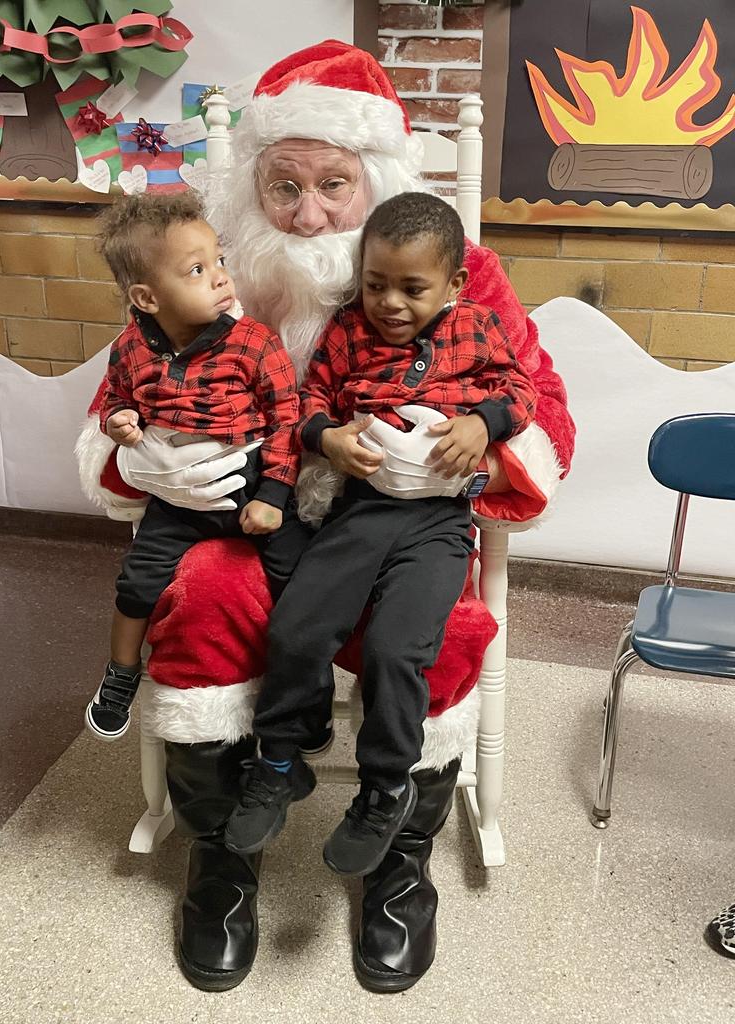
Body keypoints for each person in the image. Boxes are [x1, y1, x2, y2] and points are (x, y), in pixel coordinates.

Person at [77, 40, 575, 994]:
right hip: (247, 526)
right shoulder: (208, 268)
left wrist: (472, 450)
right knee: (201, 601)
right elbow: (120, 399)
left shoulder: (458, 272)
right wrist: (143, 463)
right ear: (252, 189)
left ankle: (398, 862)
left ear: (376, 179)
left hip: (408, 523)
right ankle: (224, 858)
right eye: (284, 187)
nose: (307, 217)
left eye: (334, 186)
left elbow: (540, 401)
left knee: (445, 630)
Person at [224, 192, 537, 878]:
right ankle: (278, 763)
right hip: (360, 511)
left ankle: (385, 787)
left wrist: (482, 423)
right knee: (297, 628)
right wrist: (327, 437)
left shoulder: (477, 327)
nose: (390, 303)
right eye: (376, 285)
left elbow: (522, 391)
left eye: (412, 289)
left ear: (453, 285)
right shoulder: (348, 331)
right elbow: (308, 400)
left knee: (397, 650)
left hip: (437, 524)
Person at [84, 192, 302, 741]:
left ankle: (303, 684)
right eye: (197, 270)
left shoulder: (253, 342)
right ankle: (120, 673)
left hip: (250, 483)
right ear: (147, 297)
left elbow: (287, 418)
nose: (221, 277)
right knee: (137, 582)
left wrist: (273, 496)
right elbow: (116, 398)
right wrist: (119, 422)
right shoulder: (131, 348)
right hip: (176, 499)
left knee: (298, 577)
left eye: (219, 260)